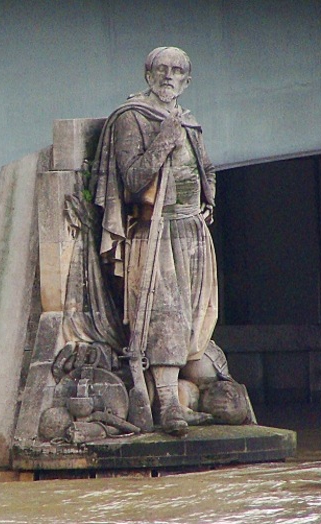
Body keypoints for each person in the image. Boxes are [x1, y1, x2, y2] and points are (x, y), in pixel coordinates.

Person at [93, 47, 218, 435]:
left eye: (177, 71)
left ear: (187, 80)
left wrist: (207, 199)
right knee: (163, 313)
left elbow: (206, 166)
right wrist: (165, 138)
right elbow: (132, 179)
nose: (169, 76)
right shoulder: (132, 117)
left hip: (191, 228)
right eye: (161, 69)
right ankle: (166, 405)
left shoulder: (188, 119)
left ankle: (178, 396)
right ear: (148, 75)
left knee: (193, 314)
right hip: (155, 230)